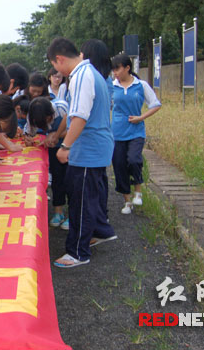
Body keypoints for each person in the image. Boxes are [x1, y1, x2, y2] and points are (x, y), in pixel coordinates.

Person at [48, 37, 117, 268]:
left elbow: (79, 116)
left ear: (60, 59)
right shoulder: (90, 72)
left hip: (88, 149)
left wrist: (65, 146)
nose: (57, 72)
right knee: (92, 194)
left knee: (81, 200)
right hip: (96, 146)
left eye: (55, 66)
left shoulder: (81, 76)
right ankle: (101, 230)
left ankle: (78, 251)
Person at [111, 54, 161, 214]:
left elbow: (155, 104)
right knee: (119, 166)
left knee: (133, 159)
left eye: (117, 69)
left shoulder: (141, 85)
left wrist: (141, 117)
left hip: (136, 131)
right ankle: (127, 201)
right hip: (117, 132)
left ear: (127, 68)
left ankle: (138, 190)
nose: (115, 73)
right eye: (113, 69)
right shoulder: (112, 86)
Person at [80, 39, 114, 229]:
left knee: (94, 186)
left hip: (92, 140)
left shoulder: (89, 77)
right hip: (103, 137)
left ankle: (99, 225)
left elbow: (82, 114)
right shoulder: (105, 78)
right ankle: (102, 219)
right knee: (100, 182)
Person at [22, 97, 69, 230]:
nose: (46, 126)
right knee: (57, 180)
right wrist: (29, 139)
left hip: (70, 148)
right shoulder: (33, 114)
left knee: (71, 181)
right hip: (53, 149)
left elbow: (74, 128)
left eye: (47, 122)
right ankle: (58, 212)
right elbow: (29, 133)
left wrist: (56, 135)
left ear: (51, 115)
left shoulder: (62, 108)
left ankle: (73, 214)